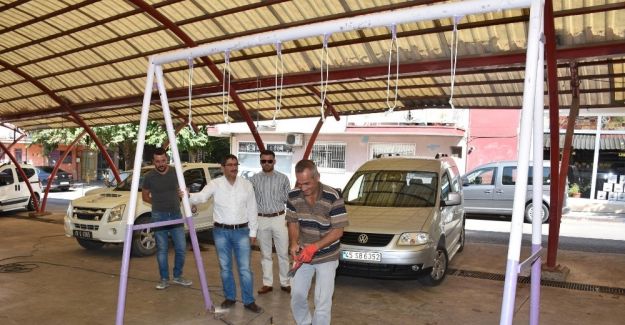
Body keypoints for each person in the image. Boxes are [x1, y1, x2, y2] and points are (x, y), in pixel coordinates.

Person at [189, 154, 262, 313]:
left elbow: (252, 209)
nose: (234, 168)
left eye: (236, 164)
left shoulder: (246, 185)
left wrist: (253, 231)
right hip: (221, 232)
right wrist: (187, 196)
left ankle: (249, 301)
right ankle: (230, 297)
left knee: (245, 269)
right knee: (225, 267)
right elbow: (201, 197)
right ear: (222, 167)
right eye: (230, 165)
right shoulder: (215, 184)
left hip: (242, 232)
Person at [286, 159, 348, 325]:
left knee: (322, 301)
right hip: (303, 255)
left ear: (317, 177)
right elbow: (293, 222)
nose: (303, 188)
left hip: (327, 255)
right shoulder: (293, 195)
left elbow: (338, 231)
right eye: (300, 183)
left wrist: (314, 247)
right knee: (297, 295)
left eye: (307, 183)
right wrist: (293, 243)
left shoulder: (333, 196)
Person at [141, 147, 192, 290]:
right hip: (158, 215)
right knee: (162, 249)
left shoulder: (176, 172)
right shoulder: (149, 176)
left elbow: (183, 190)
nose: (161, 163)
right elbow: (145, 196)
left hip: (176, 214)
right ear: (153, 162)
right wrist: (157, 204)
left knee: (181, 248)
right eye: (157, 161)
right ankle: (164, 279)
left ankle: (177, 276)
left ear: (167, 159)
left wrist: (185, 193)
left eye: (163, 160)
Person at [249, 150, 291, 295]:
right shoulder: (253, 180)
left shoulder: (283, 178)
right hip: (261, 219)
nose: (266, 163)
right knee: (265, 254)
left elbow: (289, 200)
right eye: (263, 161)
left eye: (269, 161)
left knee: (283, 253)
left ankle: (285, 282)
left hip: (279, 218)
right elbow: (250, 201)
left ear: (274, 161)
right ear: (260, 162)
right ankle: (267, 283)